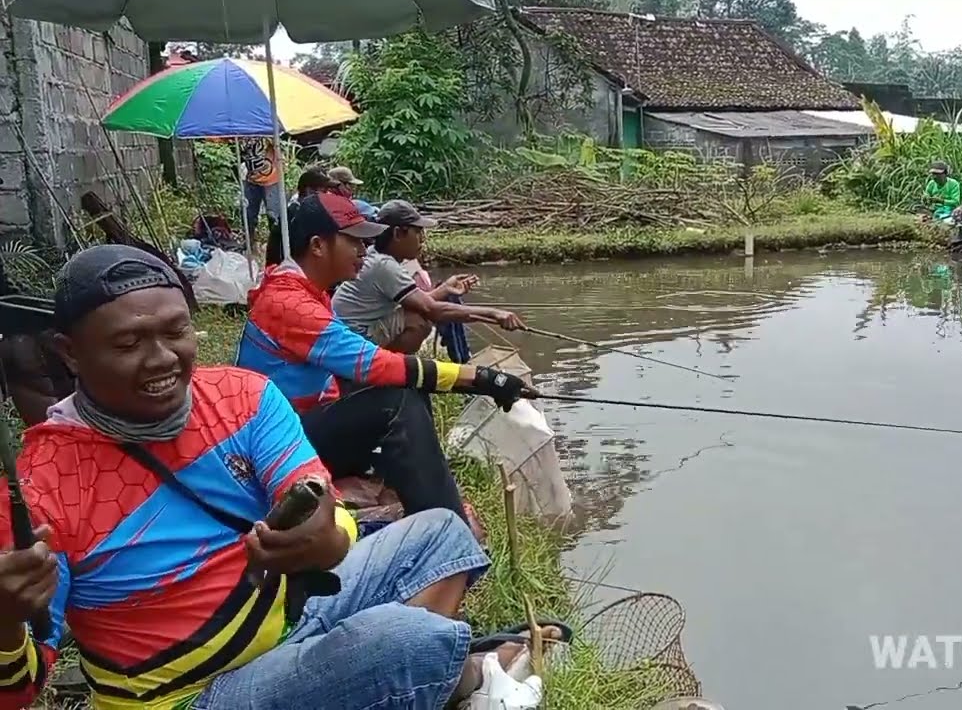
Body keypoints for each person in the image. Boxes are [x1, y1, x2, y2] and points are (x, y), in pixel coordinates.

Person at [0, 244, 550, 710]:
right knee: (409, 639)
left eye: (176, 332)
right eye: (127, 344)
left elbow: (322, 508)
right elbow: (20, 689)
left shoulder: (244, 395)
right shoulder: (39, 487)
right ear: (70, 354)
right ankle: (452, 673)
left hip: (290, 613)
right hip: (196, 695)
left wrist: (326, 534)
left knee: (443, 532)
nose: (162, 359)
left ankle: (378, 673)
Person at [235, 193, 524, 526]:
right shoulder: (290, 304)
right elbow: (376, 364)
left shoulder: (304, 291)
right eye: (354, 241)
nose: (364, 250)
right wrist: (481, 379)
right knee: (397, 397)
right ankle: (448, 528)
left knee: (405, 389)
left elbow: (370, 361)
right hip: (279, 443)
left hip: (302, 420)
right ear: (318, 245)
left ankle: (413, 492)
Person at [332, 200, 525, 354]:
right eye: (418, 232)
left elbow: (417, 302)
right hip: (352, 340)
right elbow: (431, 310)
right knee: (419, 322)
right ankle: (382, 371)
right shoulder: (384, 266)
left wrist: (445, 289)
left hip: (346, 335)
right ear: (398, 233)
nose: (423, 239)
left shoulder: (378, 256)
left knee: (415, 313)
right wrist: (494, 314)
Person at [267, 167, 340, 267]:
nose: (327, 194)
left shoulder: (307, 210)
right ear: (309, 191)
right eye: (324, 190)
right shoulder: (296, 213)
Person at [240, 137, 283, 237]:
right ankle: (249, 245)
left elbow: (278, 142)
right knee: (248, 215)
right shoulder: (241, 131)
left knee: (274, 215)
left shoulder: (263, 128)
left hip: (272, 179)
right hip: (252, 179)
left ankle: (277, 246)